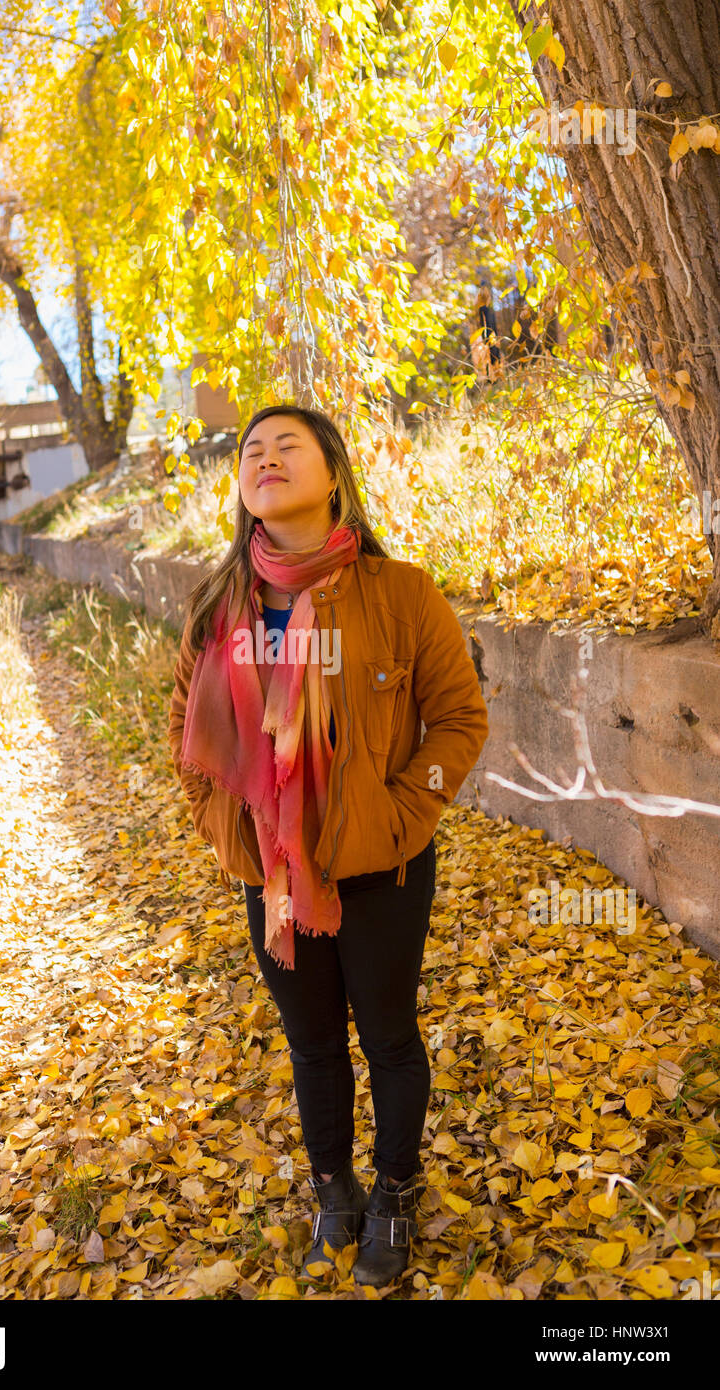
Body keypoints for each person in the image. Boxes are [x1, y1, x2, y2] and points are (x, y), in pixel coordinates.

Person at [168, 404, 489, 1289]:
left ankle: (392, 1192)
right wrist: (226, 829)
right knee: (311, 1044)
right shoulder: (220, 605)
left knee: (387, 1035)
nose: (264, 460)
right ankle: (334, 1190)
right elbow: (186, 738)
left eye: (287, 447)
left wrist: (402, 811)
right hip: (272, 874)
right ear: (241, 488)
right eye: (250, 452)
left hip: (383, 866)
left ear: (334, 474)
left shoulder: (401, 594)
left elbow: (459, 719)